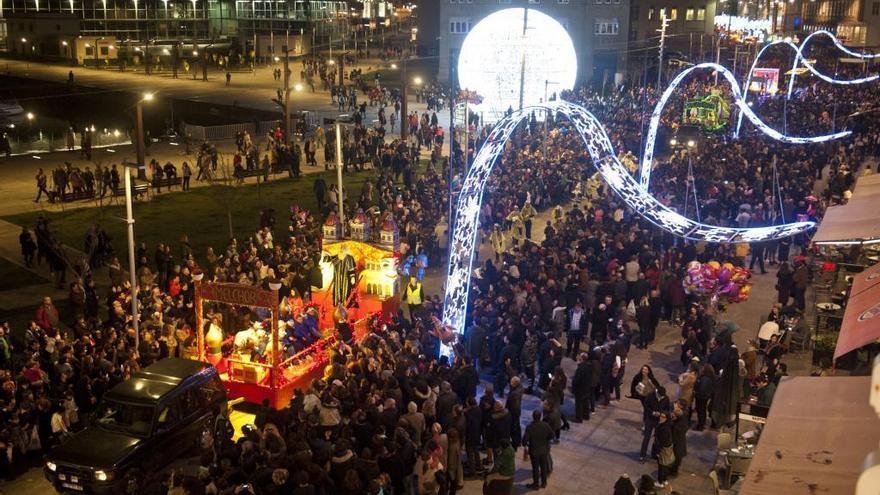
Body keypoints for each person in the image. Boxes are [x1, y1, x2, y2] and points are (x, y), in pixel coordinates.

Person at [522, 409, 554, 489]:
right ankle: (544, 483)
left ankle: (536, 484)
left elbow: (525, 440)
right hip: (544, 450)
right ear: (540, 417)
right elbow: (552, 435)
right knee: (543, 467)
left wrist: (526, 444)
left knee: (535, 468)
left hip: (534, 451)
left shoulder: (530, 427)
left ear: (533, 417)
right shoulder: (545, 425)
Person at [571, 352, 593, 422]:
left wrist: (573, 384)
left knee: (579, 404)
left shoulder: (580, 368)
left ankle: (579, 418)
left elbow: (577, 379)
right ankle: (586, 415)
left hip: (580, 389)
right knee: (585, 402)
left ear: (582, 359)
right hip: (587, 387)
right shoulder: (589, 366)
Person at [654, 411, 674, 488]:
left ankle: (660, 482)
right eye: (660, 416)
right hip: (667, 449)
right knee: (665, 465)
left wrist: (658, 451)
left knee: (661, 466)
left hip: (663, 449)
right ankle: (665, 480)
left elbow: (662, 441)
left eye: (663, 417)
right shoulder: (667, 425)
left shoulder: (663, 428)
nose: (660, 418)